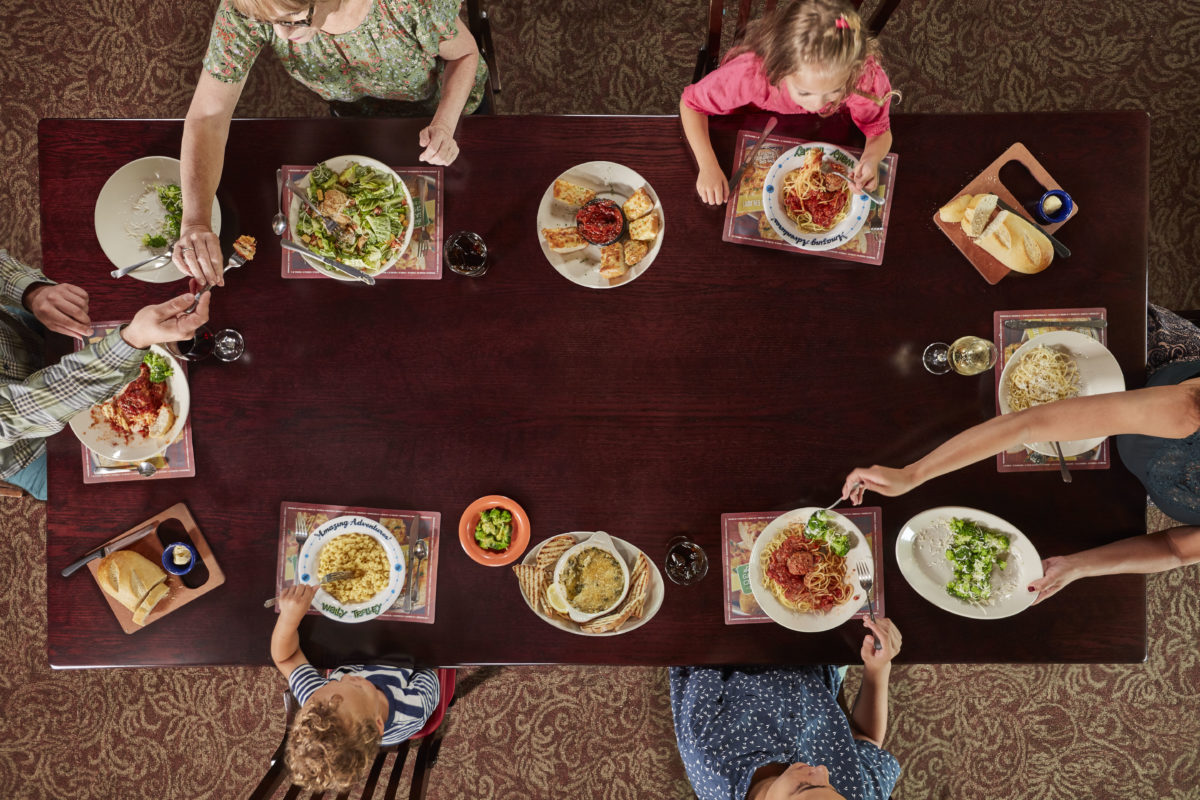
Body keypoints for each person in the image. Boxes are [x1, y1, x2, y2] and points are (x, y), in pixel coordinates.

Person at [841, 307, 1200, 604]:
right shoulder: (1189, 409)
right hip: (1143, 364)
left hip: (1133, 470)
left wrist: (1077, 567)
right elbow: (1027, 424)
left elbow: (1175, 549)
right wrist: (913, 474)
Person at [177, 0, 488, 286]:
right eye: (267, 21)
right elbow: (208, 115)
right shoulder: (253, 4)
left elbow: (465, 54)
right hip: (352, 119)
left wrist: (445, 124)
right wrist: (194, 221)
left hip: (442, 111)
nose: (280, 34)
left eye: (294, 20)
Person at [0, 250, 211, 500]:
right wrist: (132, 342)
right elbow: (14, 413)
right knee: (114, 498)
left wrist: (30, 291)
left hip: (22, 335)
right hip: (29, 450)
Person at [679, 0, 898, 205]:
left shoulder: (863, 77)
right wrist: (707, 165)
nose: (817, 105)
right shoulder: (750, 73)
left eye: (835, 91)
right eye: (805, 93)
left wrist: (871, 158)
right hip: (744, 119)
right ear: (779, 70)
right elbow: (690, 104)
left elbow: (878, 130)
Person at [670, 617, 903, 800]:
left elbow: (699, 647)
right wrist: (877, 668)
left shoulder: (707, 749)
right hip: (819, 658)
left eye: (805, 787)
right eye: (832, 788)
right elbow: (867, 740)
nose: (822, 770)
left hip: (738, 640)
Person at [270, 584, 440, 790]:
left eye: (334, 681)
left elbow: (285, 658)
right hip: (405, 651)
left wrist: (288, 619)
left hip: (356, 643)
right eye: (358, 687)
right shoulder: (413, 709)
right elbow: (430, 669)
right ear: (378, 723)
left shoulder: (318, 701)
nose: (349, 678)